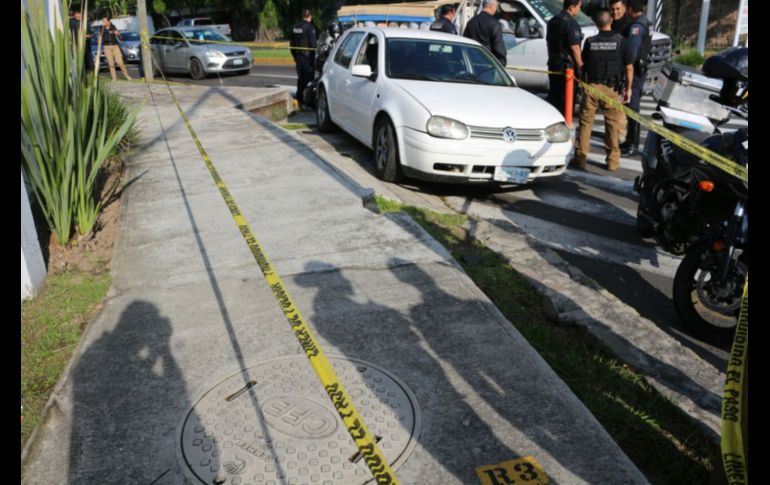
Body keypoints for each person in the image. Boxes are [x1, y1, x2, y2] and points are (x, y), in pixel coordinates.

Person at [570, 9, 633, 171]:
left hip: (592, 88)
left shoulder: (590, 42)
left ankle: (580, 159)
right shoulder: (621, 41)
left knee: (585, 124)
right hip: (612, 89)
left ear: (596, 24)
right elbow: (629, 68)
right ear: (611, 21)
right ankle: (612, 161)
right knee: (612, 126)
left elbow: (583, 64)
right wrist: (628, 89)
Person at [618, 0, 651, 156]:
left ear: (630, 9)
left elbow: (631, 52)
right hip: (638, 69)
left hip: (635, 71)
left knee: (633, 106)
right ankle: (630, 140)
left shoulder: (636, 26)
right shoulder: (643, 21)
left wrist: (627, 69)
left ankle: (633, 144)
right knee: (630, 106)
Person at [546, 0, 583, 115]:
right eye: (579, 6)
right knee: (567, 100)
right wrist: (580, 66)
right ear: (571, 7)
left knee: (554, 97)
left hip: (554, 64)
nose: (579, 9)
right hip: (567, 67)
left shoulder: (553, 20)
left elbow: (548, 43)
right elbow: (575, 47)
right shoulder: (571, 23)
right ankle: (566, 122)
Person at [463, 0, 507, 65]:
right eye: (496, 6)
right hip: (488, 62)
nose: (496, 9)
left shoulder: (471, 22)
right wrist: (502, 62)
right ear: (491, 6)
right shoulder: (494, 23)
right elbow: (498, 45)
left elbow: (465, 41)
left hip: (472, 62)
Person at [290, 9, 317, 110]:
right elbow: (313, 45)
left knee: (301, 79)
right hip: (307, 58)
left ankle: (299, 100)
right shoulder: (310, 27)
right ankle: (309, 103)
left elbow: (292, 45)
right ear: (310, 16)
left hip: (298, 56)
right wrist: (314, 59)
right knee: (309, 81)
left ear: (302, 16)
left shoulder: (295, 27)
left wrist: (295, 57)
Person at [99, 16, 132, 81]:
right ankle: (114, 78)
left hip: (115, 46)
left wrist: (118, 34)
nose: (103, 22)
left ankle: (126, 76)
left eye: (105, 21)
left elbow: (120, 38)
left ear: (108, 21)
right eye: (103, 21)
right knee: (111, 63)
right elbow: (100, 38)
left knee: (120, 62)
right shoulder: (102, 29)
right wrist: (99, 47)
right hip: (106, 47)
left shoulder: (113, 27)